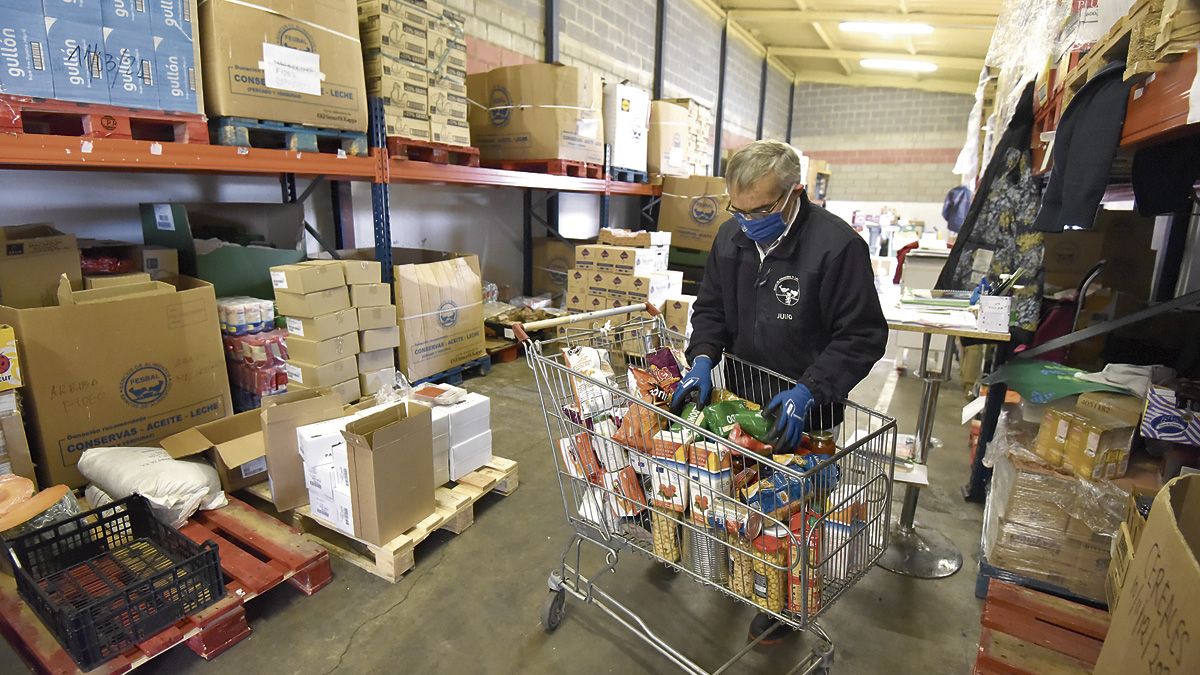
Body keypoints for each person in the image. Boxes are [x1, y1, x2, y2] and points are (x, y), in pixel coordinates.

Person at [670, 140, 888, 643]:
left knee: (796, 516)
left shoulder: (837, 248)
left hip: (805, 413)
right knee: (744, 500)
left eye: (763, 209)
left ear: (795, 194)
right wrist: (702, 357)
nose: (749, 221)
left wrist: (811, 389)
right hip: (743, 403)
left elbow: (862, 335)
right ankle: (747, 575)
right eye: (739, 209)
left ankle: (788, 606)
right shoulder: (730, 239)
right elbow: (711, 311)